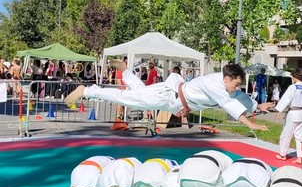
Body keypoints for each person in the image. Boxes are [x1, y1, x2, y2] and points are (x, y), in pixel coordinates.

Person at [65, 61, 271, 132]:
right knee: (127, 98)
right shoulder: (214, 83)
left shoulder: (228, 86)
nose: (236, 87)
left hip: (173, 102)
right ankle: (87, 90)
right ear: (228, 78)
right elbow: (228, 103)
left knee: (136, 95)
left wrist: (257, 106)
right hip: (168, 96)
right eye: (236, 82)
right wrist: (249, 124)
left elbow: (238, 96)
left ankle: (126, 71)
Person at [275, 68, 302, 164]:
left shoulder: (293, 87)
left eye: (293, 76)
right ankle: (300, 157)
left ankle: (282, 154)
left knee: (286, 135)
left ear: (295, 77)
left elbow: (285, 99)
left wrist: (279, 111)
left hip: (293, 113)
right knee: (300, 136)